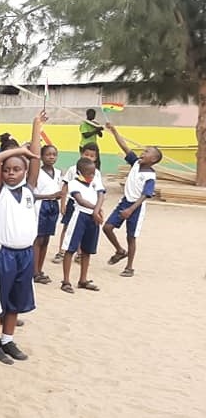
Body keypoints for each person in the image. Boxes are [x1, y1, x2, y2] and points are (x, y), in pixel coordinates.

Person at [0, 112, 45, 365]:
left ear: (25, 171)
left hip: (25, 253)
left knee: (16, 301)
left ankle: (8, 340)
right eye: (7, 170)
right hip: (3, 253)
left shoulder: (30, 188)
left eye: (17, 169)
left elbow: (36, 159)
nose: (11, 173)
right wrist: (19, 151)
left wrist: (36, 127)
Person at [102, 123, 161, 277]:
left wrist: (131, 209)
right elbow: (124, 146)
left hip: (136, 207)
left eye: (147, 152)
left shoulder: (150, 175)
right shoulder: (135, 163)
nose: (143, 152)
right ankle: (120, 251)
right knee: (107, 227)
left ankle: (129, 267)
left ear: (153, 159)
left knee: (131, 237)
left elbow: (145, 194)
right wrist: (114, 131)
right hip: (125, 202)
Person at [60, 157, 106, 294]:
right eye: (88, 173)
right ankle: (66, 281)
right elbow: (80, 200)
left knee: (87, 250)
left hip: (93, 218)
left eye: (93, 173)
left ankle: (83, 279)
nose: (91, 175)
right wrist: (96, 210)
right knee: (70, 249)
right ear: (79, 172)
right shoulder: (73, 183)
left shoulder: (95, 180)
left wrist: (96, 211)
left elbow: (101, 195)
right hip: (80, 216)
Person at [53, 142, 103, 264]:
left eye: (92, 156)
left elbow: (99, 191)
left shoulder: (96, 172)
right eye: (86, 154)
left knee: (82, 229)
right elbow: (65, 186)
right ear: (81, 154)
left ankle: (80, 253)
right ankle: (62, 251)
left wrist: (97, 208)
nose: (88, 157)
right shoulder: (73, 169)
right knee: (67, 227)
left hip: (88, 206)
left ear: (96, 158)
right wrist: (63, 204)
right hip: (73, 202)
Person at [32, 144, 62, 284]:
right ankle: (34, 272)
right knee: (38, 239)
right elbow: (32, 194)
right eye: (48, 154)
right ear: (42, 157)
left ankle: (40, 269)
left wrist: (58, 198)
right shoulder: (37, 173)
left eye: (54, 155)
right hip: (41, 206)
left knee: (46, 239)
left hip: (53, 206)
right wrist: (50, 196)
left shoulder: (58, 173)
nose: (51, 157)